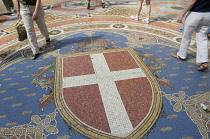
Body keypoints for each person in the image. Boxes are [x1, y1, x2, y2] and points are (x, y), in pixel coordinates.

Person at [171, 0, 210, 71]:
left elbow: (192, 1)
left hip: (195, 14)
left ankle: (181, 55)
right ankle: (204, 61)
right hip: (208, 14)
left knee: (186, 36)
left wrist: (182, 14)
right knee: (202, 39)